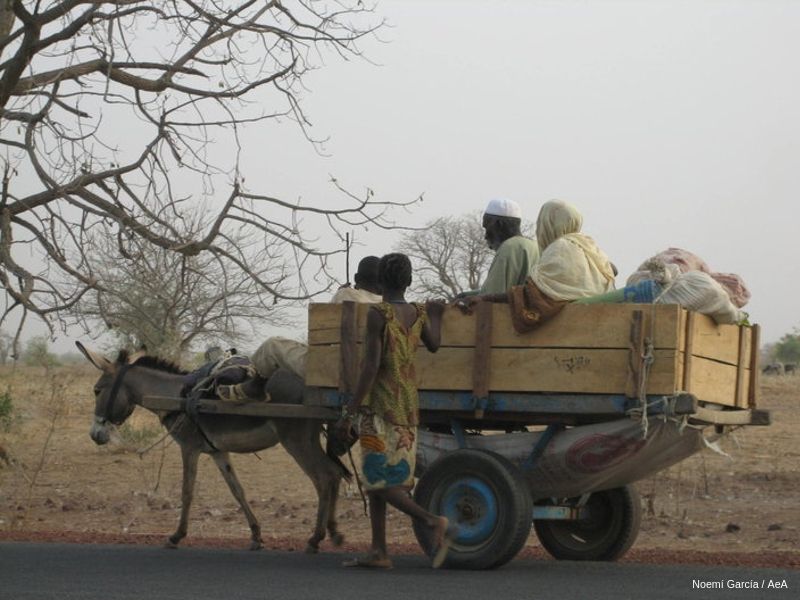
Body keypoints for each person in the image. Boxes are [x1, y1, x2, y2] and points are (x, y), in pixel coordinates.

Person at [337, 253, 451, 569]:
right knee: (387, 481)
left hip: (380, 409)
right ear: (409, 281)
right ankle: (379, 551)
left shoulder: (379, 314)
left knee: (378, 482)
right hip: (407, 408)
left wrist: (349, 412)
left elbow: (370, 366)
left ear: (380, 282)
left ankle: (431, 520)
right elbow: (435, 344)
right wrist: (437, 314)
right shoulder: (418, 313)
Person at [217, 256, 383, 402]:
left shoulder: (346, 294)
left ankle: (255, 387)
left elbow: (325, 335)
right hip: (375, 376)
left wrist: (342, 291)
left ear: (356, 277)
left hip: (333, 371)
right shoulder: (387, 306)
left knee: (273, 345)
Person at [461, 200, 616, 332]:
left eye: (486, 227)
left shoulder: (559, 248)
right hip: (598, 319)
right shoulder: (587, 246)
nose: (486, 234)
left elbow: (534, 295)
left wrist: (484, 298)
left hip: (553, 328)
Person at [459, 198, 540, 297]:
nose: (485, 236)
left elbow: (491, 296)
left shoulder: (509, 247)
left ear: (499, 224)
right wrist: (466, 295)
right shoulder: (535, 246)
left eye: (487, 228)